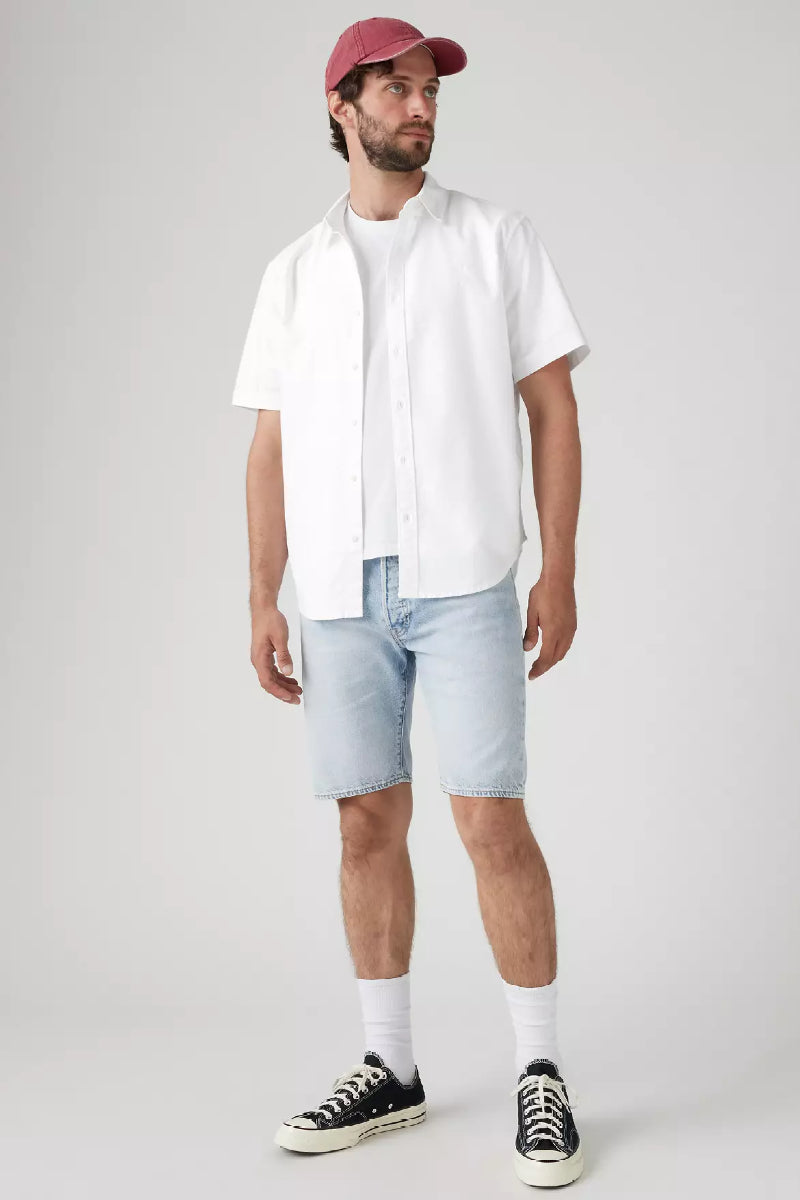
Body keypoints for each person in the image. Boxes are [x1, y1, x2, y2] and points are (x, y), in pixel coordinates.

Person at [231, 16, 590, 1189]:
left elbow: (551, 410)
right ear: (340, 106)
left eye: (429, 88)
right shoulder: (293, 274)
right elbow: (270, 446)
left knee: (490, 820)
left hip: (463, 581)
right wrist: (262, 593)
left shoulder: (494, 241)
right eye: (393, 87)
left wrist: (558, 567)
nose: (420, 106)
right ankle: (389, 1067)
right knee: (363, 824)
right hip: (337, 591)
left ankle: (539, 1073)